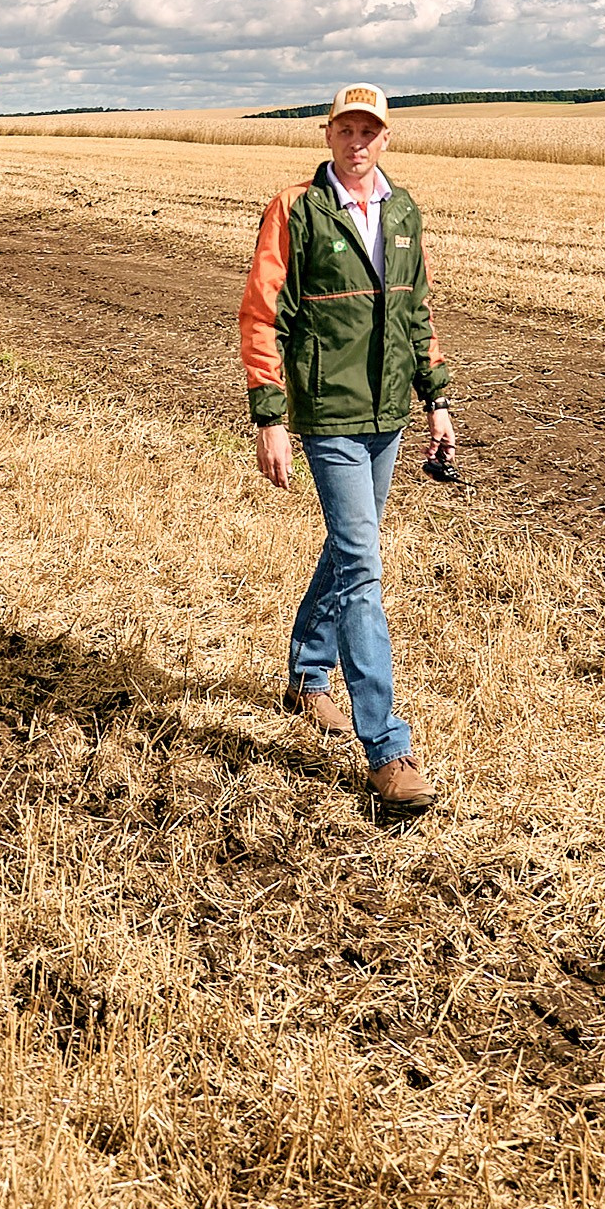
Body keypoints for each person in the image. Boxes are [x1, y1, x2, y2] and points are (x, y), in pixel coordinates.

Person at [238, 81, 456, 817]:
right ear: (328, 135)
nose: (357, 143)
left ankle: (306, 676)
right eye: (345, 130)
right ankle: (388, 750)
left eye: (369, 131)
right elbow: (263, 314)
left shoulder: (403, 211)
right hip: (328, 412)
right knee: (363, 565)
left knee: (347, 547)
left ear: (385, 137)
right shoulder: (296, 209)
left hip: (388, 412)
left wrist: (437, 400)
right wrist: (270, 416)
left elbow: (418, 313)